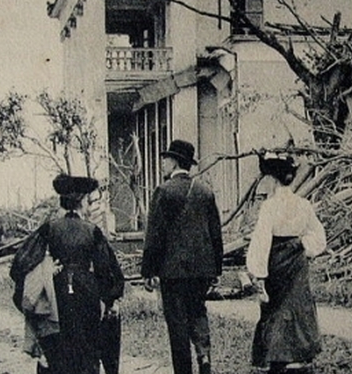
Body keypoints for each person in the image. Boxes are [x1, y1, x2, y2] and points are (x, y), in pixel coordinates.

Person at [11, 174, 125, 374]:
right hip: (86, 294)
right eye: (89, 201)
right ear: (82, 202)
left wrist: (45, 271)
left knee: (56, 351)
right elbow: (107, 271)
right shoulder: (92, 231)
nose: (90, 207)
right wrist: (111, 297)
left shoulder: (48, 228)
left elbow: (20, 265)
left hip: (55, 294)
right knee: (87, 350)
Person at [141, 139, 224, 374]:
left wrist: (149, 271)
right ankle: (204, 356)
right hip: (201, 270)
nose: (163, 163)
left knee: (177, 324)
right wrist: (216, 269)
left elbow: (154, 236)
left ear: (175, 161)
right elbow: (215, 235)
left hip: (173, 272)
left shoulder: (163, 191)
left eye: (166, 159)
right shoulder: (205, 192)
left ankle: (183, 371)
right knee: (198, 313)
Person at [246, 153, 327, 373]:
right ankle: (298, 360)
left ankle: (278, 360)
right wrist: (303, 246)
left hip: (276, 261)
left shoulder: (270, 207)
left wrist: (258, 273)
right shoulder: (303, 204)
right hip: (297, 261)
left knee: (275, 310)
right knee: (296, 307)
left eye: (268, 178)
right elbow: (319, 237)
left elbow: (262, 241)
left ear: (273, 180)